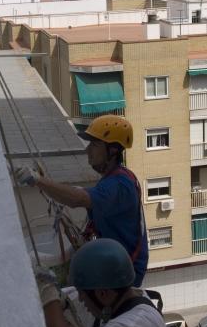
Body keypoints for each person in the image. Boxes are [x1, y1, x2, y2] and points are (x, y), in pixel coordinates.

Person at [16, 114, 149, 287]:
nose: (88, 150)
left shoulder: (119, 185)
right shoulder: (113, 180)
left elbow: (77, 199)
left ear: (113, 150)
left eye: (94, 144)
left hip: (124, 274)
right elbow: (83, 196)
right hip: (118, 265)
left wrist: (39, 181)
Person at [36, 238, 170, 327]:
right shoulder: (120, 300)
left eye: (82, 293)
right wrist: (59, 299)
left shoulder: (136, 325)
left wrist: (49, 297)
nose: (80, 299)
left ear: (102, 293)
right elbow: (73, 297)